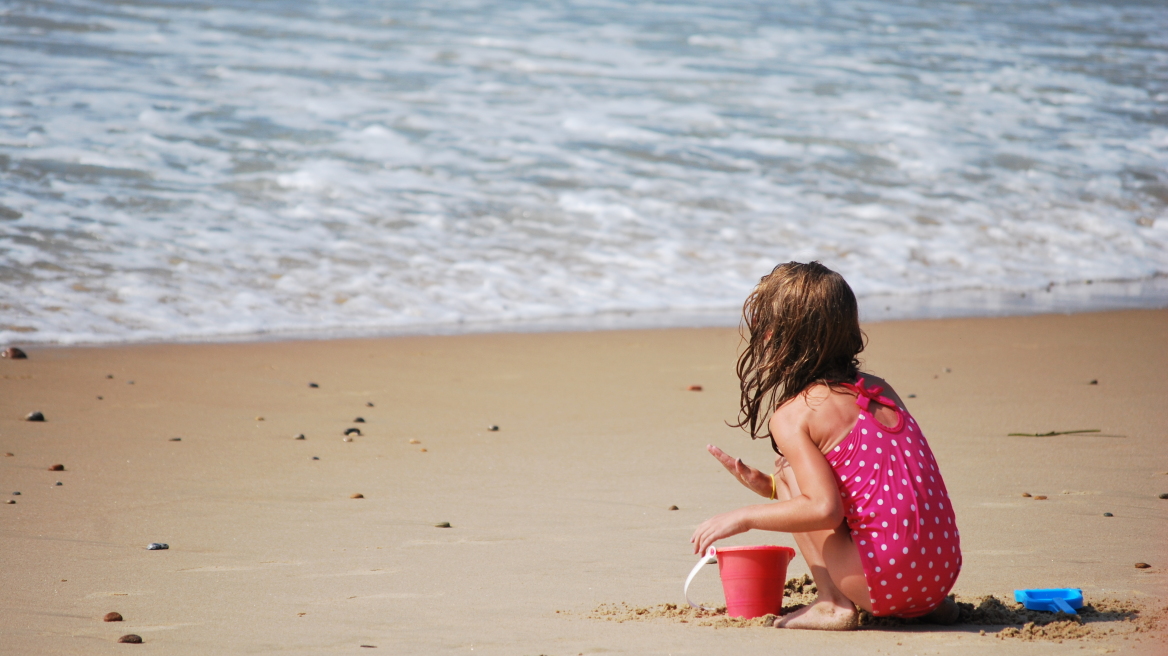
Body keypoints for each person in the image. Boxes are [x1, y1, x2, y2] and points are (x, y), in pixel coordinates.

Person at [690, 261, 961, 630]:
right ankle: (925, 605)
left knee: (787, 469)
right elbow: (882, 487)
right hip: (940, 574)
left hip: (882, 583)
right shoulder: (880, 388)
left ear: (780, 338)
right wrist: (770, 489)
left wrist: (742, 517)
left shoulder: (793, 416)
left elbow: (825, 510)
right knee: (785, 478)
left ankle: (834, 602)